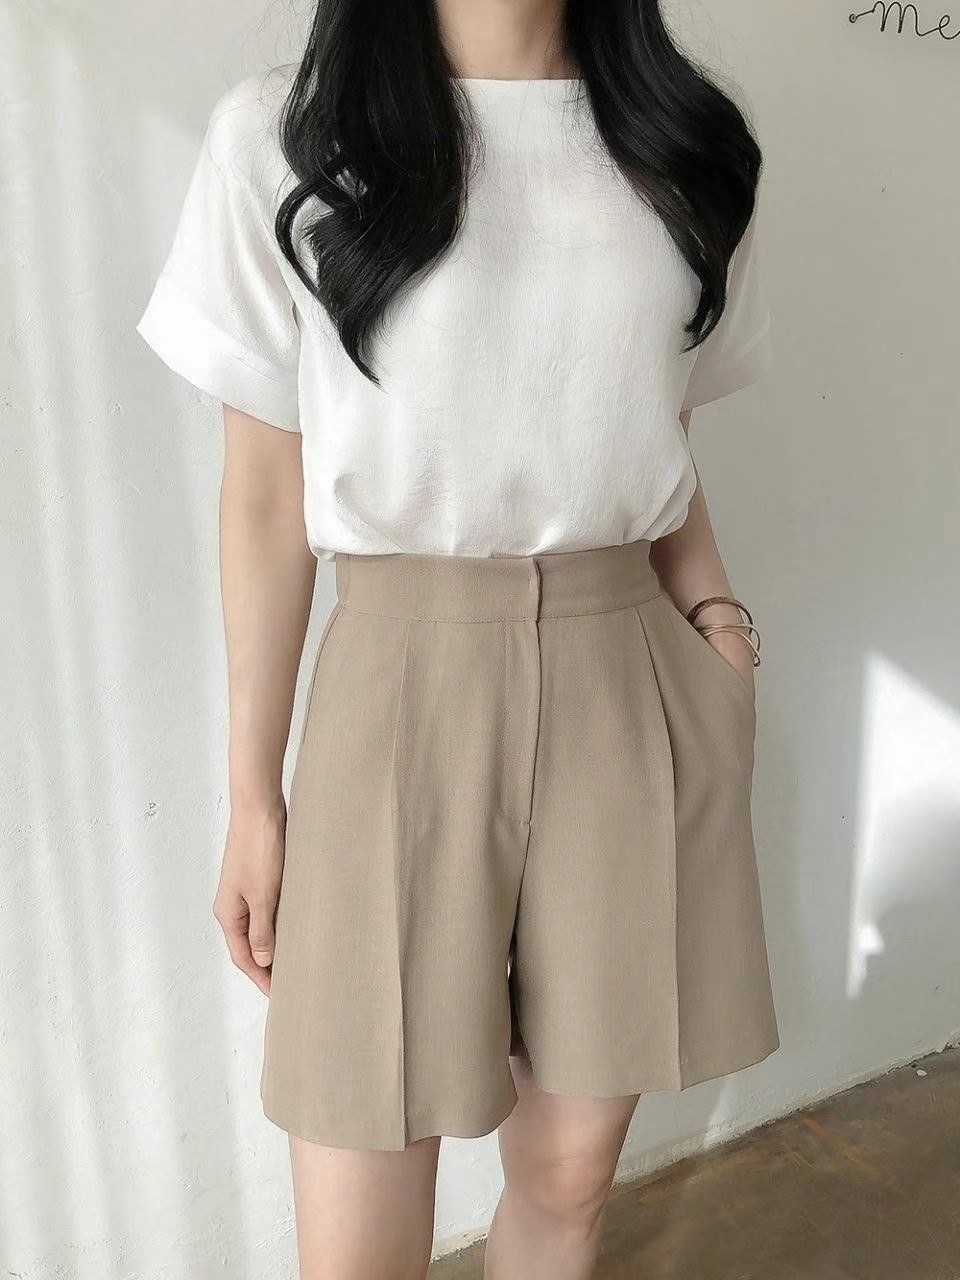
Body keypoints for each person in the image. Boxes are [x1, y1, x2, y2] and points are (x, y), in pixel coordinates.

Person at [136, 0, 780, 1275]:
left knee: (570, 1179)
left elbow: (658, 424)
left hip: (627, 670)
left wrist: (720, 633)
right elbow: (264, 494)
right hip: (399, 678)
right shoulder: (286, 137)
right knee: (362, 1195)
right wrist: (254, 796)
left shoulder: (686, 139)